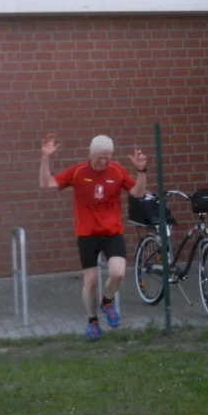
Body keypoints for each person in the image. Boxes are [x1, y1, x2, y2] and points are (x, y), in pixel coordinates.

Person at [39, 133, 147, 340]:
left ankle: (106, 301)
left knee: (117, 273)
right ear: (90, 153)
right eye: (100, 157)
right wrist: (46, 157)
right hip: (87, 234)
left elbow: (138, 193)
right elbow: (46, 184)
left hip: (112, 232)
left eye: (108, 156)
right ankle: (92, 319)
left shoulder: (117, 171)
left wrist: (141, 170)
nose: (104, 161)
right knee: (91, 281)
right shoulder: (79, 171)